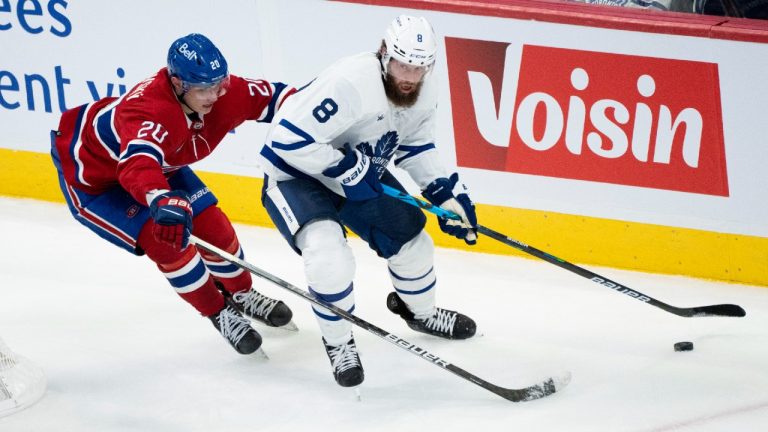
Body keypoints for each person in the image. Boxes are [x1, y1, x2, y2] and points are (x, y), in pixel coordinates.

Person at [258, 15, 478, 388]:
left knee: (414, 244)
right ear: (384, 54)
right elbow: (285, 142)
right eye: (402, 64)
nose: (409, 76)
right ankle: (340, 344)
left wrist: (445, 191)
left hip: (356, 172)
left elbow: (415, 144)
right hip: (295, 175)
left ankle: (420, 313)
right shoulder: (350, 82)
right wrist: (345, 170)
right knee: (329, 257)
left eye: (419, 68)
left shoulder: (425, 86)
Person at [50, 33, 296, 355]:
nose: (215, 95)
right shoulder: (150, 112)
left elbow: (282, 98)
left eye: (218, 83)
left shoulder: (223, 91)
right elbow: (138, 164)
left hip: (160, 164)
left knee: (215, 228)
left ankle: (241, 294)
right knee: (166, 239)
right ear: (179, 84)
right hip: (96, 181)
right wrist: (160, 197)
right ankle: (217, 311)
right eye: (204, 89)